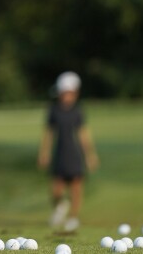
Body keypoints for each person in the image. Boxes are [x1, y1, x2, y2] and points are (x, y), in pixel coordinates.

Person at [37, 71, 99, 232]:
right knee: (56, 188)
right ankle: (60, 206)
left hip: (74, 153)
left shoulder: (78, 111)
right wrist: (44, 152)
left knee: (76, 187)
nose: (66, 96)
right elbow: (49, 133)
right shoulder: (54, 110)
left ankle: (73, 217)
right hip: (60, 152)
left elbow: (83, 134)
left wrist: (90, 155)